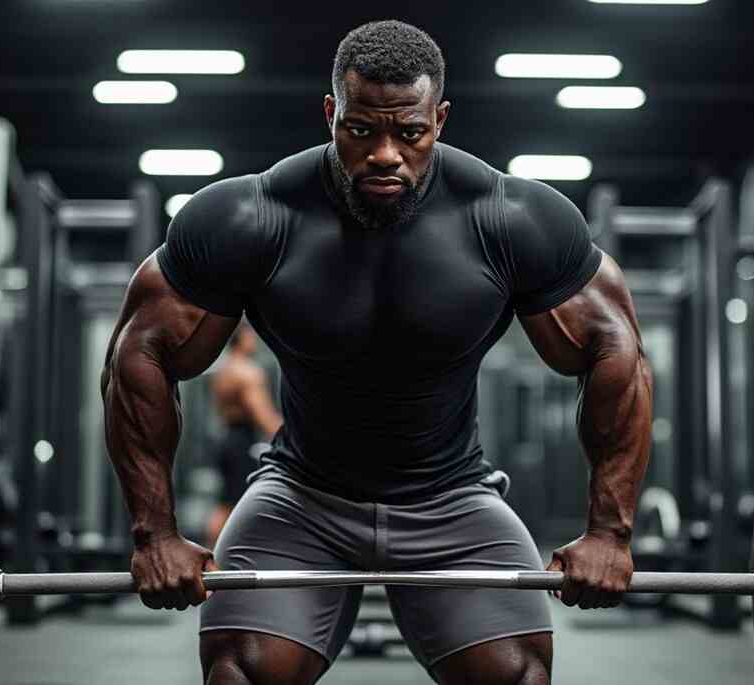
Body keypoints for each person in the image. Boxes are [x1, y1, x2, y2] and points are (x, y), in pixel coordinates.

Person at [101, 20, 652, 685]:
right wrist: (154, 533)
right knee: (241, 673)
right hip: (299, 498)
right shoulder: (254, 217)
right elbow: (139, 353)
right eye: (360, 130)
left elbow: (615, 348)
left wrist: (609, 532)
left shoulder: (508, 218)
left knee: (517, 676)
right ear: (331, 114)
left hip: (452, 497)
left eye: (409, 133)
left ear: (439, 119)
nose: (385, 154)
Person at [202, 321, 282, 544]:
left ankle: (211, 550)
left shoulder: (224, 370)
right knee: (236, 502)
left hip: (227, 437)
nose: (254, 341)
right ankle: (218, 553)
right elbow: (262, 414)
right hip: (242, 441)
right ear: (243, 339)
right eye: (251, 336)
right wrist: (289, 436)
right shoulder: (247, 372)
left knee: (225, 501)